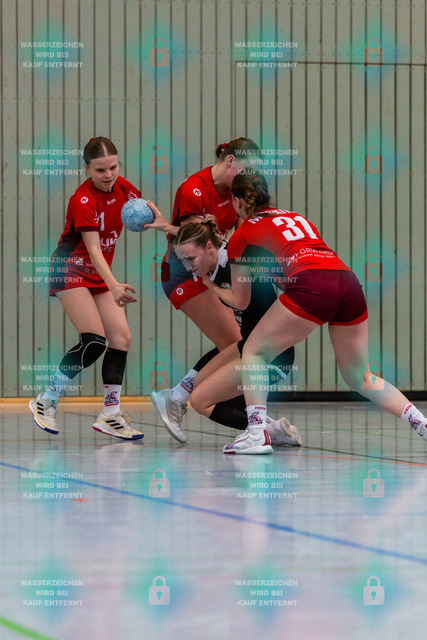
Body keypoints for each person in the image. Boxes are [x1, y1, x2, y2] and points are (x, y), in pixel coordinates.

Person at [197, 171, 427, 454]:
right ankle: (421, 422)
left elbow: (240, 301)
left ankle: (256, 433)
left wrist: (212, 287)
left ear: (237, 201)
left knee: (254, 351)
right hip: (347, 282)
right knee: (361, 377)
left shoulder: (241, 234)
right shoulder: (296, 217)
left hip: (312, 283)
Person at [151, 217, 302, 449]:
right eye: (182, 260)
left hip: (271, 356)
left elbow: (241, 302)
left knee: (201, 401)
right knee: (195, 387)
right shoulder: (216, 264)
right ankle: (175, 398)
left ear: (209, 247)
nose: (187, 267)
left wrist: (211, 286)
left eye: (190, 259)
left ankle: (263, 432)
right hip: (249, 348)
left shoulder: (232, 263)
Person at [28, 137, 144, 440]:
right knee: (94, 341)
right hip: (69, 269)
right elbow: (93, 250)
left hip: (97, 273)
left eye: (113, 167)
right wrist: (114, 285)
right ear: (87, 168)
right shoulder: (82, 200)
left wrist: (160, 223)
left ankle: (110, 414)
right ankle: (46, 399)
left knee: (121, 339)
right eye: (100, 170)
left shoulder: (126, 190)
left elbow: (141, 214)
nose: (109, 175)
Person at [145, 137, 259, 352]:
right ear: (231, 160)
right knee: (235, 344)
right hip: (184, 273)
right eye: (247, 170)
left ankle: (191, 378)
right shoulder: (194, 189)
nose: (249, 178)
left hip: (213, 271)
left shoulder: (237, 191)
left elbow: (243, 237)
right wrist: (167, 228)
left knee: (243, 342)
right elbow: (196, 241)